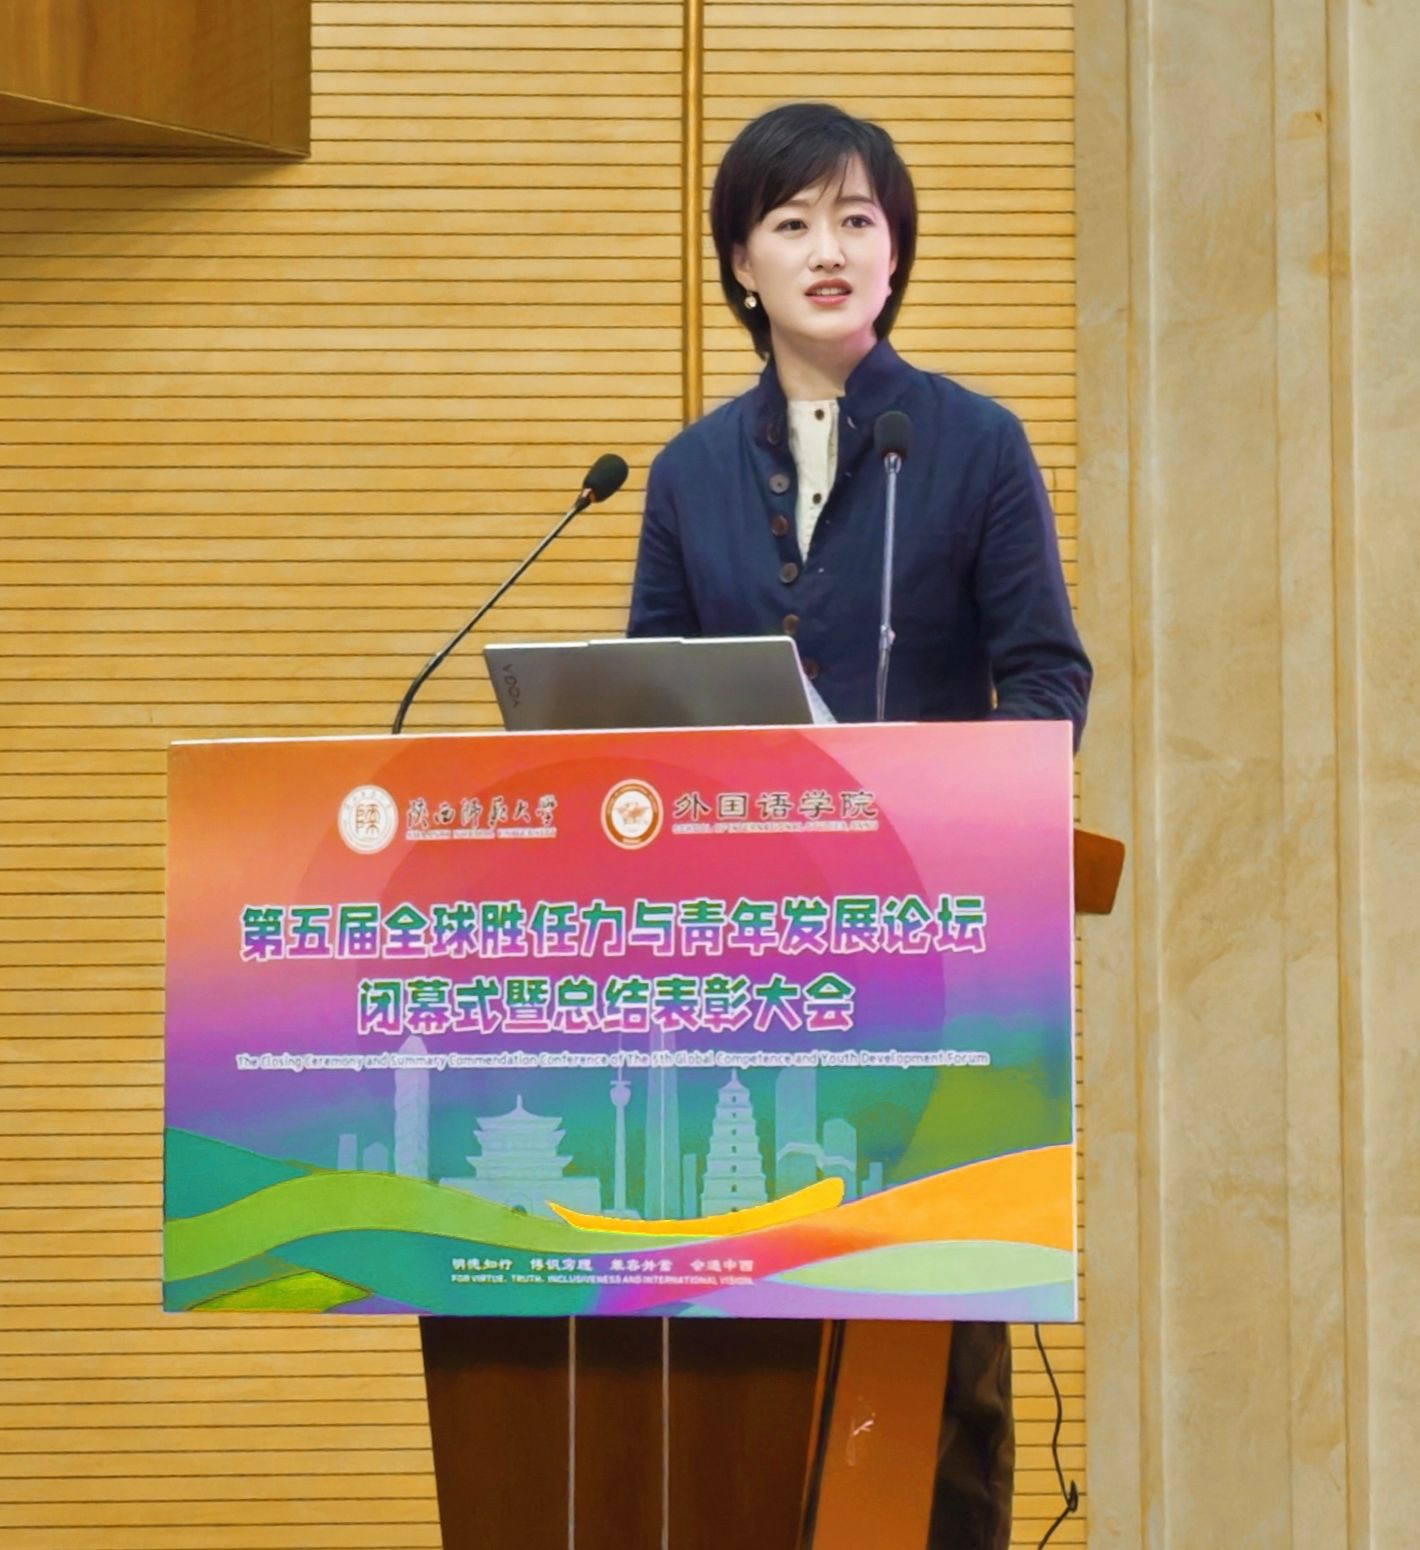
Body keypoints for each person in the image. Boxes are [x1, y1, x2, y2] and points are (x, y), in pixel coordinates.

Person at [627, 102, 1090, 1548]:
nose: (826, 248)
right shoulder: (688, 473)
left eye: (856, 219)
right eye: (791, 222)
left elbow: (1049, 680)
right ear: (740, 263)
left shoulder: (973, 444)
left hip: (928, 965)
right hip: (739, 970)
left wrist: (957, 800)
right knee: (738, 1320)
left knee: (929, 1348)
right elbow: (644, 707)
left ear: (895, 253)